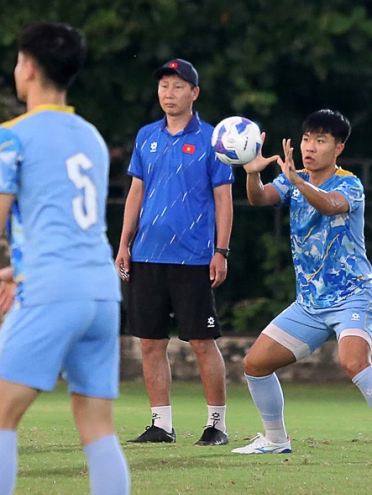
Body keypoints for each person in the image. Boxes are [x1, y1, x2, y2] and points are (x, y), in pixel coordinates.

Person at [0, 21, 130, 495]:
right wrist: (22, 265)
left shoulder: (12, 135)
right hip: (100, 292)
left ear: (29, 68)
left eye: (18, 61)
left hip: (52, 290)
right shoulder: (92, 137)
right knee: (98, 427)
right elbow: (74, 224)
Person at [232, 109, 372, 463]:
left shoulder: (349, 184)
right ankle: (275, 439)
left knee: (354, 362)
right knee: (255, 364)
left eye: (321, 141)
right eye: (307, 139)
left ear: (338, 148)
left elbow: (330, 205)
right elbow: (259, 198)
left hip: (353, 295)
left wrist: (297, 182)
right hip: (310, 304)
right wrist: (253, 174)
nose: (310, 147)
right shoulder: (292, 179)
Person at [116, 58, 234, 446]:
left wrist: (221, 250)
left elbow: (223, 199)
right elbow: (136, 193)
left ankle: (216, 425)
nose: (169, 93)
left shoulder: (212, 140)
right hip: (147, 254)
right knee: (150, 343)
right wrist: (124, 244)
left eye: (178, 86)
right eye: (164, 85)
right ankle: (161, 425)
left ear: (194, 93)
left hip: (193, 256)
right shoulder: (146, 136)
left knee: (201, 342)